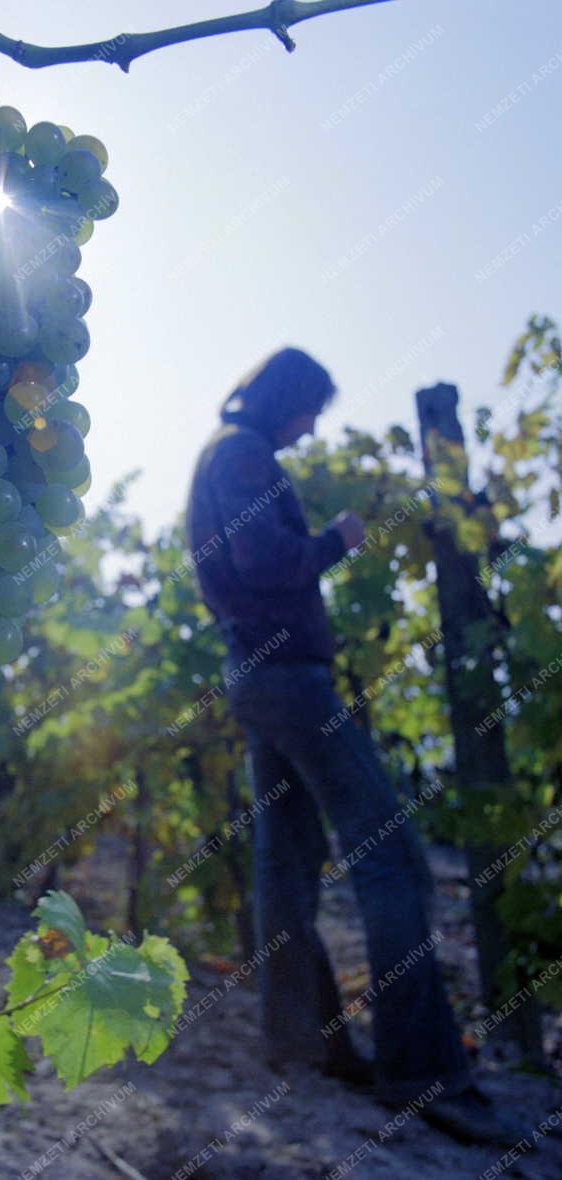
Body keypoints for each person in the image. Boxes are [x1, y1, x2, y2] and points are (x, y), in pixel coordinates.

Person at [186, 346, 529, 1147]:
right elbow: (263, 557)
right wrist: (338, 539)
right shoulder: (243, 453)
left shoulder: (226, 454)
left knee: (286, 866)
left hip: (259, 675)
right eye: (311, 411)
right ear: (286, 400)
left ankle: (303, 1044)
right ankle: (423, 1072)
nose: (312, 430)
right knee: (393, 858)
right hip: (288, 679)